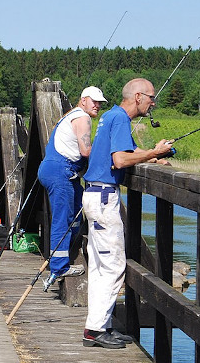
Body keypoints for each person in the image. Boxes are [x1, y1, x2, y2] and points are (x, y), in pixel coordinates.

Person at [81, 78, 174, 349]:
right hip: (103, 198)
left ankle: (98, 326)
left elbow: (129, 151)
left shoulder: (111, 117)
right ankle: (97, 330)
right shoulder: (120, 119)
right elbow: (120, 160)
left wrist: (153, 156)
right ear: (137, 97)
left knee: (99, 266)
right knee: (113, 266)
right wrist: (154, 152)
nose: (153, 102)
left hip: (94, 195)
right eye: (151, 97)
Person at [38, 86, 107, 291]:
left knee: (76, 218)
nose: (97, 105)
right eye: (93, 101)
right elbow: (86, 151)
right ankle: (59, 267)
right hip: (61, 172)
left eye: (100, 103)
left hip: (59, 171)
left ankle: (67, 254)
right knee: (64, 218)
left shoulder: (69, 115)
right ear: (83, 100)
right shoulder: (83, 118)